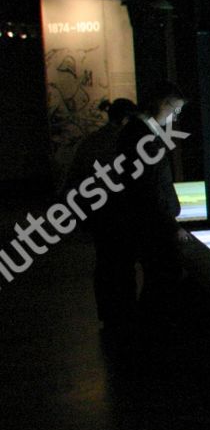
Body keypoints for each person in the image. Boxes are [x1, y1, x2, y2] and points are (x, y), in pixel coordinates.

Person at [96, 82, 188, 335]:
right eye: (176, 109)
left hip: (144, 217)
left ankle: (146, 324)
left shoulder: (138, 132)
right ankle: (153, 326)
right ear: (164, 104)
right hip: (149, 220)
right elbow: (150, 186)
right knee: (161, 272)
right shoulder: (142, 135)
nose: (176, 116)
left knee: (153, 273)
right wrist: (171, 224)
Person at [66, 98, 138, 328]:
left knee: (105, 262)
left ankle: (108, 312)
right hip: (121, 209)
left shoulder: (91, 142)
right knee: (124, 264)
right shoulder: (125, 142)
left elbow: (75, 178)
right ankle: (126, 310)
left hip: (98, 211)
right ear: (127, 119)